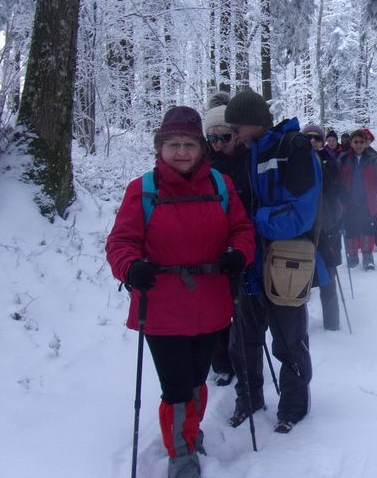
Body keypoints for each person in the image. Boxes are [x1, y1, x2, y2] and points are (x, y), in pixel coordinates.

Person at [106, 106, 255, 478]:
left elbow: (242, 229)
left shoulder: (220, 186)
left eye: (189, 144)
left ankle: (189, 431)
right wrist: (130, 267)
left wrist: (239, 253)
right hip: (161, 307)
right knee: (175, 385)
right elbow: (120, 242)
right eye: (173, 144)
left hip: (211, 303)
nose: (182, 152)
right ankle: (182, 452)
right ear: (160, 148)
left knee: (196, 378)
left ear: (201, 148)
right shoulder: (143, 190)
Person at [224, 89, 323, 434]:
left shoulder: (293, 149)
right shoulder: (245, 153)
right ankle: (248, 399)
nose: (233, 135)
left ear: (254, 123)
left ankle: (293, 407)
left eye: (236, 127)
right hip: (250, 263)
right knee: (243, 340)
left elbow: (301, 215)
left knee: (289, 341)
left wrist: (252, 221)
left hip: (286, 264)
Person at [204, 96, 254, 387]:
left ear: (235, 133)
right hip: (215, 244)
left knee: (244, 306)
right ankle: (222, 362)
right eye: (211, 138)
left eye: (223, 137)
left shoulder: (251, 157)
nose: (217, 144)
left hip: (247, 240)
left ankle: (244, 357)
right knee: (216, 305)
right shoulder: (204, 166)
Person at [302, 124, 344, 331]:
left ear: (322, 140)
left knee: (329, 278)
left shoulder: (330, 161)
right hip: (303, 231)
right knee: (300, 281)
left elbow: (337, 193)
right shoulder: (295, 162)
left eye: (316, 138)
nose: (312, 141)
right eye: (308, 137)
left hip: (328, 228)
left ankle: (332, 324)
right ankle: (299, 328)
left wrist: (335, 222)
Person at [338, 128, 377, 271]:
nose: (359, 145)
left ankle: (368, 258)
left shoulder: (372, 158)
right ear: (351, 143)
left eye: (361, 142)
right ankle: (352, 256)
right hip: (348, 200)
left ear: (366, 143)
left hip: (367, 200)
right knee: (350, 229)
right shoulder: (344, 158)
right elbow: (337, 176)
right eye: (356, 142)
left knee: (367, 229)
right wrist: (339, 191)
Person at [362, 128, 377, 253]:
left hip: (372, 194)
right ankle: (361, 244)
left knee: (376, 218)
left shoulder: (374, 156)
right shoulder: (351, 155)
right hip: (357, 195)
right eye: (364, 139)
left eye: (368, 139)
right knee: (360, 219)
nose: (367, 141)